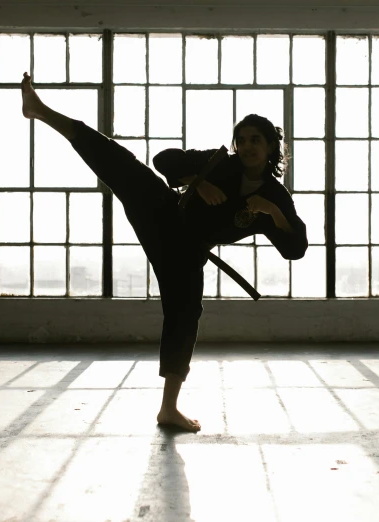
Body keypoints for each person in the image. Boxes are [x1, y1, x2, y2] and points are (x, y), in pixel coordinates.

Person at [20, 72, 308, 432]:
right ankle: (41, 110)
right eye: (242, 139)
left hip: (187, 252)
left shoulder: (276, 196)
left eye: (256, 140)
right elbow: (163, 159)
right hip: (164, 213)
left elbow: (295, 248)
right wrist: (197, 182)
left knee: (185, 315)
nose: (247, 146)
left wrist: (273, 212)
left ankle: (168, 409)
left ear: (269, 148)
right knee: (117, 159)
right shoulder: (220, 163)